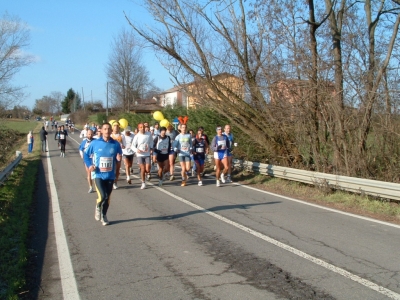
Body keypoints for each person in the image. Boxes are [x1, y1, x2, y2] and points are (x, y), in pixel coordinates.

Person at [84, 123, 122, 226]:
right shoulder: (95, 143)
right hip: (98, 174)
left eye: (109, 129)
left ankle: (104, 216)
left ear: (111, 131)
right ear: (101, 130)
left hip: (110, 175)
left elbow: (118, 156)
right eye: (105, 129)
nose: (107, 131)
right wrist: (90, 165)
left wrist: (118, 159)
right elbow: (86, 155)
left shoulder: (116, 144)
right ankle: (97, 206)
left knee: (107, 198)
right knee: (102, 196)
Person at [131, 123, 153, 189]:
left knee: (147, 169)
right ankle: (143, 182)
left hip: (147, 154)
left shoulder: (148, 134)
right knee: (143, 169)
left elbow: (151, 142)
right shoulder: (137, 136)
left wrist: (151, 148)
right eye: (141, 127)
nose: (142, 128)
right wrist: (136, 150)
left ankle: (147, 174)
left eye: (143, 127)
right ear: (138, 128)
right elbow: (132, 146)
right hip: (140, 155)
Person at [110, 122, 124, 189]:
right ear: (112, 127)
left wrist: (123, 146)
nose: (116, 127)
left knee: (117, 170)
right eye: (114, 126)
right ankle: (110, 181)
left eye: (117, 126)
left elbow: (124, 144)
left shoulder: (122, 135)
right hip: (111, 154)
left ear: (119, 127)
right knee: (111, 169)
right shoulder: (109, 135)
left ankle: (115, 182)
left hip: (119, 154)